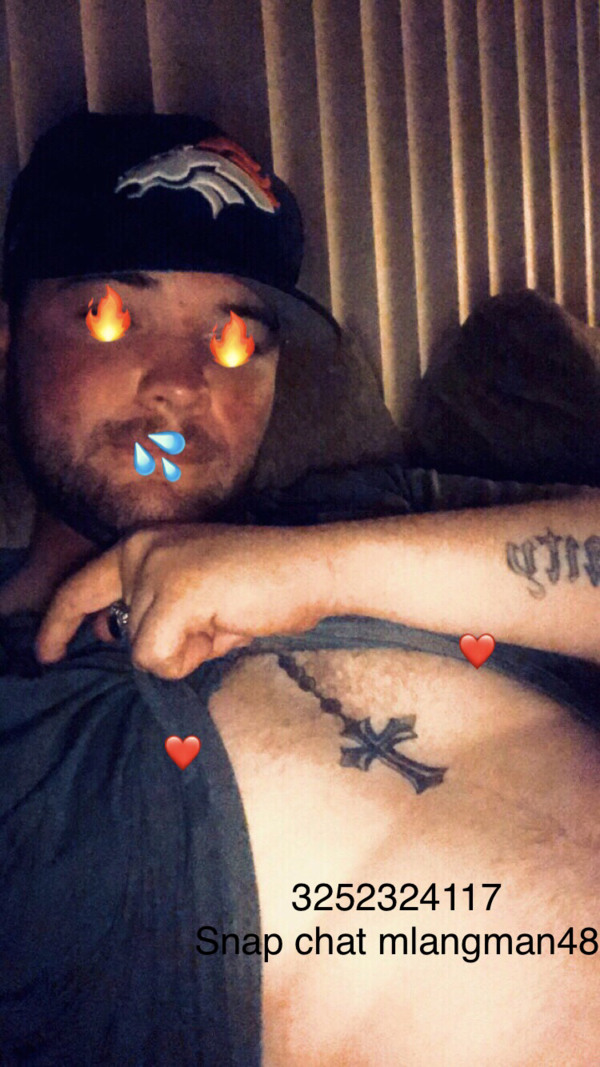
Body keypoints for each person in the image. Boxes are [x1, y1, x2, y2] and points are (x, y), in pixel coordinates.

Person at [0, 111, 599, 1066]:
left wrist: (324, 566)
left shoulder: (375, 511)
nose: (184, 384)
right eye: (111, 312)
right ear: (7, 337)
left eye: (239, 336)